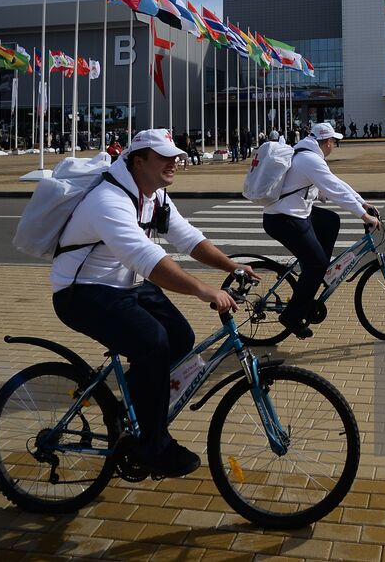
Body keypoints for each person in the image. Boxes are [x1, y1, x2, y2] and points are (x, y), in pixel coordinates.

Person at [52, 129, 256, 479]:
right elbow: (146, 258)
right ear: (138, 161)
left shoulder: (154, 195)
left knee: (180, 337)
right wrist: (203, 290)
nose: (174, 162)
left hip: (125, 283)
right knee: (153, 341)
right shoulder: (108, 199)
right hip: (81, 291)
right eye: (164, 157)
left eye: (175, 156)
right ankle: (155, 446)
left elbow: (187, 237)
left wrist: (231, 266)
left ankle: (127, 411)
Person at [262, 122, 380, 338]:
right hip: (283, 218)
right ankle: (292, 316)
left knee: (330, 221)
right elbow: (335, 190)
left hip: (294, 212)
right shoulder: (310, 159)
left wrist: (362, 203)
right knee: (315, 264)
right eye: (334, 141)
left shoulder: (306, 153)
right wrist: (363, 216)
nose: (334, 145)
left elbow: (336, 183)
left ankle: (316, 273)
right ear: (327, 141)